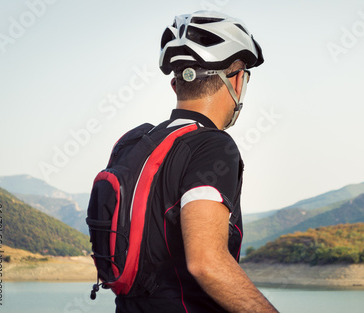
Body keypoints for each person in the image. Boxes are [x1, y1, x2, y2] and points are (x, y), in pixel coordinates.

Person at [114, 11, 278, 313]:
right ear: (238, 79)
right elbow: (207, 262)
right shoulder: (212, 145)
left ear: (176, 85)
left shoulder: (133, 144)